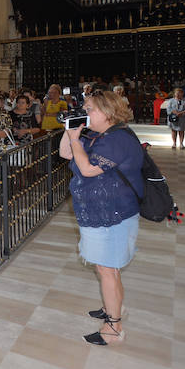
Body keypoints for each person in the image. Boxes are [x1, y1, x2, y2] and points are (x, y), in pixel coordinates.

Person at [60, 90, 143, 346]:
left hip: (113, 216)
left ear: (107, 112)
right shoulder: (98, 135)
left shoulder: (118, 139)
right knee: (106, 268)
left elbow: (86, 168)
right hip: (100, 214)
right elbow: (66, 153)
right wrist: (69, 129)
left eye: (89, 109)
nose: (85, 113)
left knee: (108, 270)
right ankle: (114, 307)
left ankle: (113, 327)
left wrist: (76, 139)